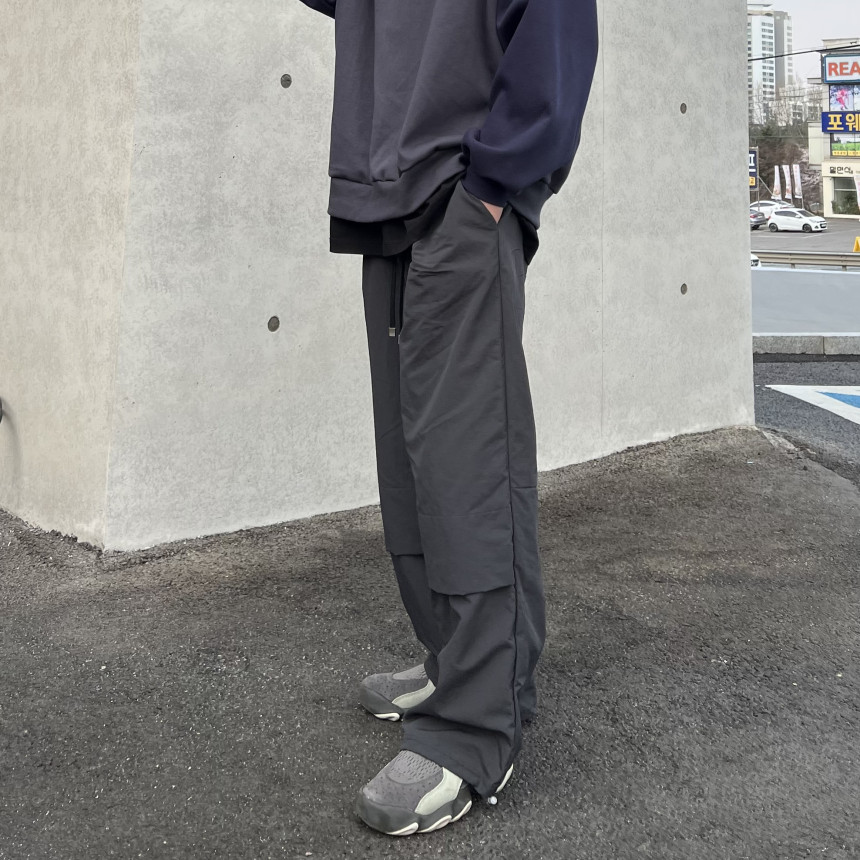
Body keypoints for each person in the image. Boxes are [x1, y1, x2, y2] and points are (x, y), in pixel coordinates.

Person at [297, 0, 598, 837]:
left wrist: (496, 185)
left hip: (465, 194)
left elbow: (557, 25)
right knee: (410, 465)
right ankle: (455, 663)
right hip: (385, 195)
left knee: (469, 466)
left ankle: (474, 727)